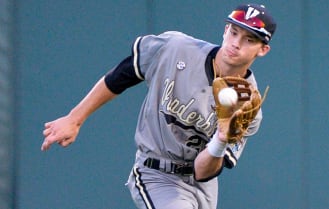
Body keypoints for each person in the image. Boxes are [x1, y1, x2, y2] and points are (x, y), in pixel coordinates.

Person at [41, 3, 276, 209]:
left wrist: (222, 138)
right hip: (156, 172)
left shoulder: (248, 108)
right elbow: (122, 75)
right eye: (234, 32)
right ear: (225, 30)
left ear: (263, 49)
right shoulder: (175, 48)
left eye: (249, 39)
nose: (236, 43)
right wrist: (75, 118)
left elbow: (203, 172)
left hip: (202, 187)